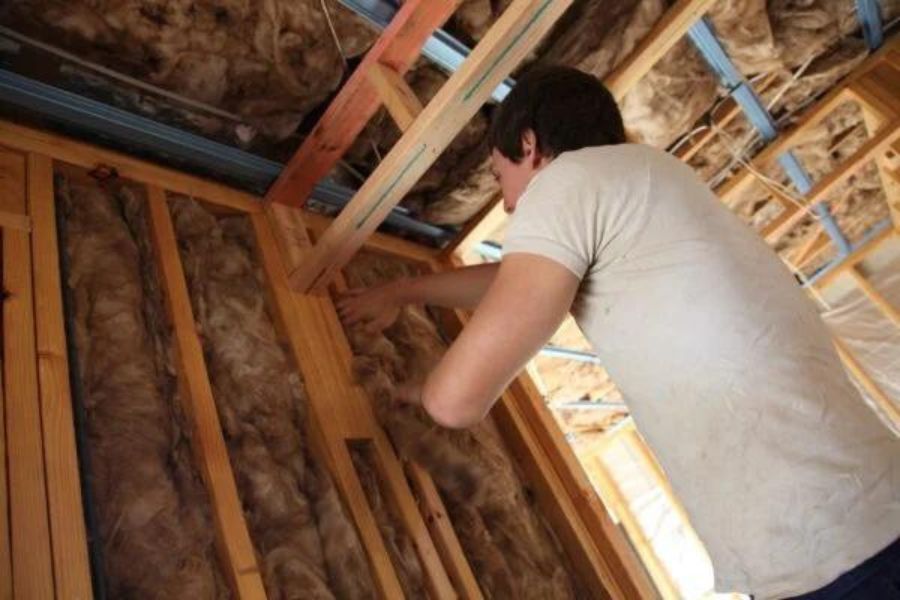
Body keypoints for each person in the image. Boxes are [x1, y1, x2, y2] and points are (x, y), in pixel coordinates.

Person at [337, 65, 900, 598]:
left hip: (836, 556)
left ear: (528, 146)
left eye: (498, 172)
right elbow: (518, 280)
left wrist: (413, 392)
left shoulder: (564, 182)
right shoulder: (645, 182)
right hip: (859, 527)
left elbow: (455, 402)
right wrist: (405, 291)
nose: (504, 195)